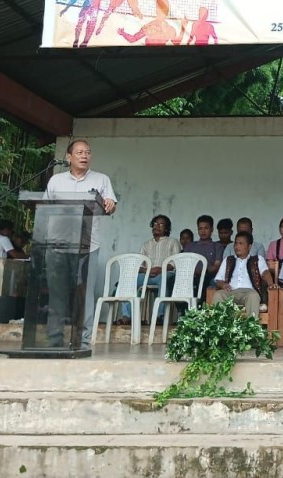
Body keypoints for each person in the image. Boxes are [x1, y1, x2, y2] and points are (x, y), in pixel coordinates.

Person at [45, 139, 117, 348]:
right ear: (69, 157)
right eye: (79, 152)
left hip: (87, 246)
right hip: (57, 245)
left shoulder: (101, 179)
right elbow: (46, 208)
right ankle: (54, 340)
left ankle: (82, 342)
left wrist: (110, 204)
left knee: (85, 295)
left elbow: (110, 207)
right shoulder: (56, 181)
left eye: (87, 152)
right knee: (57, 294)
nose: (84, 155)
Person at [116, 214, 181, 323]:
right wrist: (148, 271)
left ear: (166, 229)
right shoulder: (146, 244)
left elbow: (176, 263)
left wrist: (160, 269)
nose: (157, 226)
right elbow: (139, 266)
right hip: (147, 275)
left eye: (161, 224)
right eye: (155, 224)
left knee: (164, 279)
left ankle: (159, 316)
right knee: (127, 279)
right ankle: (127, 316)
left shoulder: (173, 242)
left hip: (165, 273)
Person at [213, 232, 276, 317]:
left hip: (249, 292)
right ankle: (220, 327)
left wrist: (271, 284)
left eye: (241, 243)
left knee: (253, 296)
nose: (237, 246)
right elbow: (218, 280)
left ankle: (251, 328)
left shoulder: (257, 259)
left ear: (249, 246)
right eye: (236, 243)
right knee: (218, 294)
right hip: (231, 291)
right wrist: (223, 284)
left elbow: (265, 273)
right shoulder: (228, 260)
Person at [117, 0, 188, 46]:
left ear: (156, 9)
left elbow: (132, 39)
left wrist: (122, 33)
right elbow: (176, 43)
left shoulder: (150, 26)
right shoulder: (169, 29)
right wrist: (183, 28)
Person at [185, 215, 224, 293]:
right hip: (191, 276)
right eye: (200, 228)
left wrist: (202, 271)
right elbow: (185, 264)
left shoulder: (217, 246)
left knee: (205, 280)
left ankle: (200, 304)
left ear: (212, 229)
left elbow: (216, 266)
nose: (203, 231)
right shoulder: (190, 246)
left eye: (206, 228)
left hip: (209, 276)